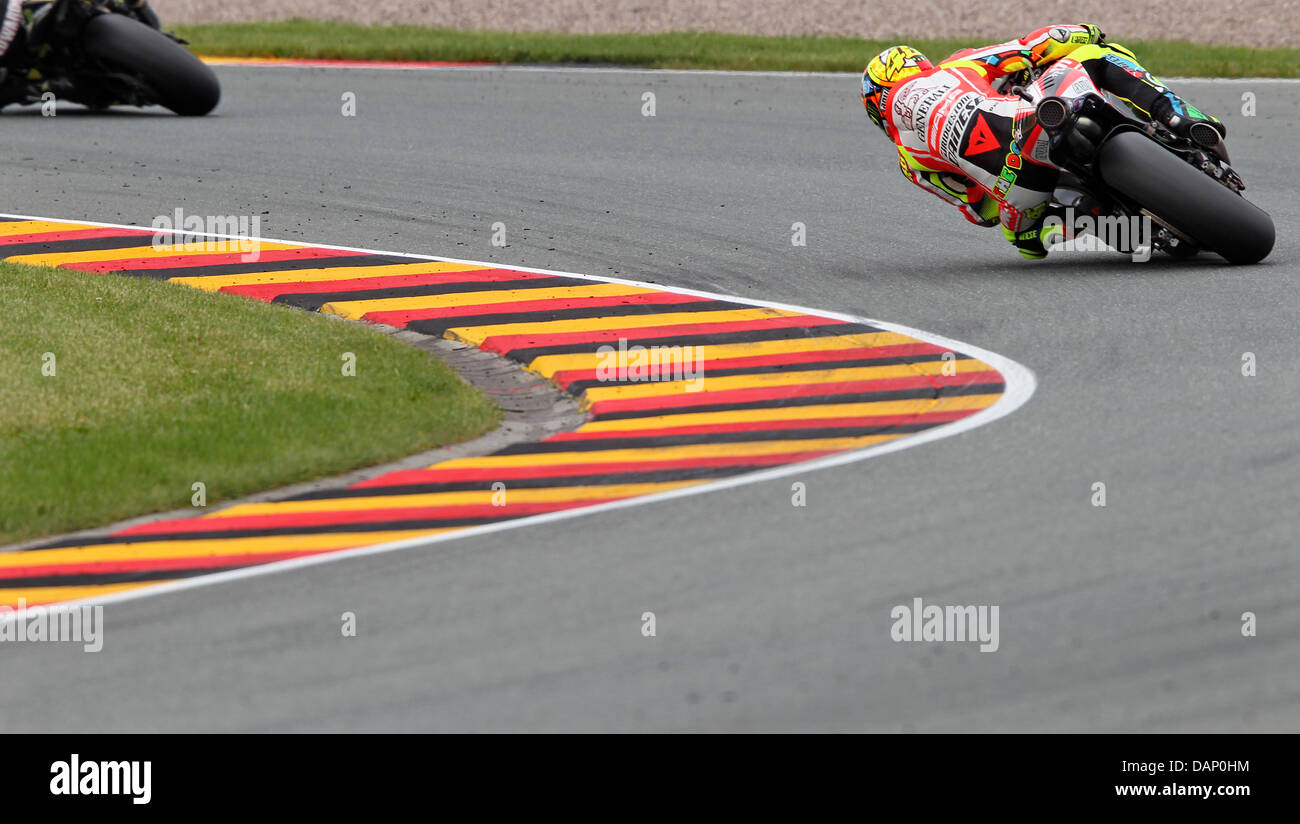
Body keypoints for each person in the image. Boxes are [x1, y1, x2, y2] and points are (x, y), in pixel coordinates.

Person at [860, 25, 1226, 258]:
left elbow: (976, 211)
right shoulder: (956, 65)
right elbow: (1034, 46)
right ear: (920, 65)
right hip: (1030, 118)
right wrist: (1086, 32)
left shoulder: (909, 161)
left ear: (878, 108)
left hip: (1016, 185)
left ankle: (1092, 217)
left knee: (1024, 243)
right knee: (1098, 56)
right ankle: (1181, 116)